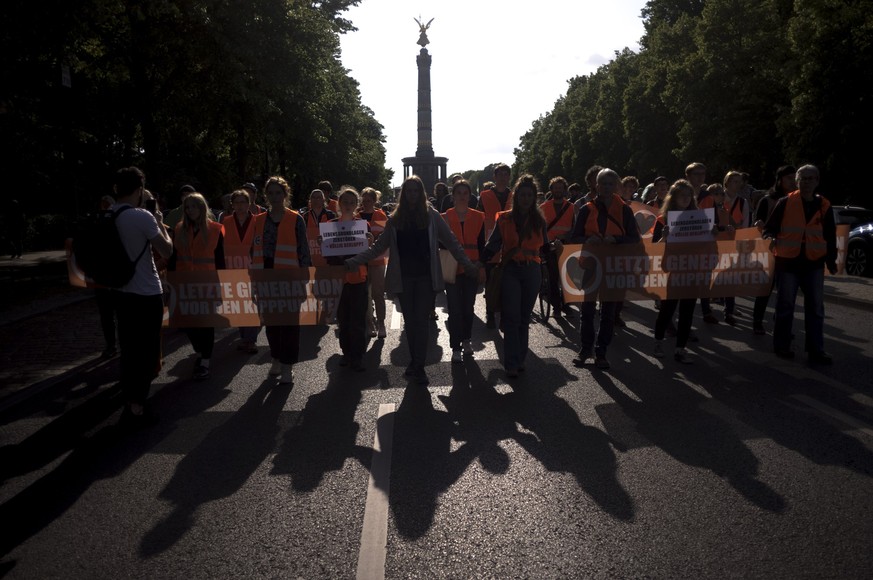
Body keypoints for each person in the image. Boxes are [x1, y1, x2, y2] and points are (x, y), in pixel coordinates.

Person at [345, 175, 479, 385]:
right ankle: (416, 363)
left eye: (416, 191)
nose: (413, 195)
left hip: (426, 278)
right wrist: (355, 260)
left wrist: (468, 264)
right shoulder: (395, 219)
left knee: (421, 322)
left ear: (422, 193)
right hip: (404, 279)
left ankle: (418, 366)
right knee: (412, 323)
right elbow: (379, 247)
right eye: (409, 191)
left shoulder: (432, 216)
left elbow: (451, 242)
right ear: (403, 194)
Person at [479, 174, 562, 377]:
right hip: (510, 270)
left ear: (534, 197)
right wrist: (480, 264)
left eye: (529, 195)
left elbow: (543, 248)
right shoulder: (504, 218)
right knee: (512, 318)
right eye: (522, 195)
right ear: (516, 196)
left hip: (532, 271)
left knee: (524, 318)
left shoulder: (539, 220)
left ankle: (520, 358)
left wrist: (555, 248)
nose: (525, 198)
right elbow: (493, 244)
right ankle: (511, 363)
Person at [111, 167, 173, 426]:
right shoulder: (141, 216)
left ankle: (129, 400)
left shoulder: (109, 214)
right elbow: (167, 250)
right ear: (139, 190)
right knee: (147, 353)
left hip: (120, 292)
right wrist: (158, 220)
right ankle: (137, 407)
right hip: (146, 292)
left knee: (128, 350)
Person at [763, 164, 836, 364]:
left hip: (813, 263)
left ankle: (816, 350)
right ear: (797, 181)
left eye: (810, 178)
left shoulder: (824, 206)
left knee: (815, 308)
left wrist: (831, 260)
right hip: (788, 263)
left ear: (817, 181)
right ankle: (782, 346)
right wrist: (770, 237)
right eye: (803, 178)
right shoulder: (785, 202)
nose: (806, 182)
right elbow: (769, 228)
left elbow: (830, 235)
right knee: (785, 305)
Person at [569, 168, 642, 370]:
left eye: (611, 183)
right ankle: (585, 350)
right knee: (587, 311)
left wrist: (616, 239)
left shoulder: (625, 210)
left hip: (614, 267)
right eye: (603, 183)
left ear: (616, 185)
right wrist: (587, 239)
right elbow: (574, 237)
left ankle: (601, 352)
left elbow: (634, 238)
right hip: (590, 266)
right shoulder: (586, 209)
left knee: (608, 313)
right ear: (596, 186)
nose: (607, 187)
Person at [252, 176, 312, 384]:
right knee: (271, 323)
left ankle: (287, 366)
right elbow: (254, 252)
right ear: (266, 196)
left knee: (290, 325)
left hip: (290, 278)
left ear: (285, 195)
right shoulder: (258, 220)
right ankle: (276, 357)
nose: (275, 197)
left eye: (279, 193)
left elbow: (304, 252)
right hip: (266, 277)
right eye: (271, 193)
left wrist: (304, 282)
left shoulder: (296, 219)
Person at [651, 180, 710, 363]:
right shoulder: (663, 219)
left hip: (692, 269)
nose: (685, 198)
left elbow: (707, 244)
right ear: (673, 197)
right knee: (668, 309)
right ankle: (658, 342)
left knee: (687, 310)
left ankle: (680, 348)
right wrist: (664, 238)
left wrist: (713, 233)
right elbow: (655, 249)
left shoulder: (700, 218)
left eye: (688, 195)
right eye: (681, 195)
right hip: (672, 270)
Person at [170, 192, 225, 380]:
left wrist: (222, 285)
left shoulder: (215, 229)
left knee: (205, 323)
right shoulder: (178, 229)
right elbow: (174, 257)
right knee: (189, 324)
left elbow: (220, 260)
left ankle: (205, 360)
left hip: (207, 284)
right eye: (187, 207)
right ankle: (200, 351)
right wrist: (170, 280)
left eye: (194, 206)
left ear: (202, 208)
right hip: (185, 284)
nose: (190, 210)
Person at [324, 187, 371, 371]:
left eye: (352, 202)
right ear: (339, 204)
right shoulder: (331, 225)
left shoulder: (363, 225)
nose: (349, 205)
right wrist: (325, 245)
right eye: (345, 202)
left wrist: (370, 241)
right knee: (343, 319)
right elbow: (329, 257)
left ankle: (357, 355)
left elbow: (367, 252)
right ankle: (346, 352)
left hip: (358, 278)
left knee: (358, 320)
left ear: (357, 205)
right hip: (339, 280)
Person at [442, 179, 485, 362]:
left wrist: (481, 264)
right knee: (454, 309)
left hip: (471, 268)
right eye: (458, 193)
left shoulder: (478, 217)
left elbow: (482, 244)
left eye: (465, 193)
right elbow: (439, 243)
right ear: (453, 196)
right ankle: (455, 347)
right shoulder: (444, 217)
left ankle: (466, 340)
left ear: (470, 196)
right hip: (451, 269)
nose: (462, 196)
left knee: (468, 308)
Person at [752, 165, 796, 334]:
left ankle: (782, 325)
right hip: (769, 252)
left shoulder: (798, 200)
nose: (793, 182)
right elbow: (759, 223)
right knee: (765, 290)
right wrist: (761, 228)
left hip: (789, 253)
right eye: (789, 178)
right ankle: (757, 321)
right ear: (780, 180)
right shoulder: (767, 200)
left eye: (794, 178)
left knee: (786, 293)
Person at [222, 189, 260, 353]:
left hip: (252, 268)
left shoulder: (258, 221)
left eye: (243, 202)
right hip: (232, 268)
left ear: (249, 203)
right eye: (236, 202)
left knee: (250, 303)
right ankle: (245, 336)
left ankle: (249, 340)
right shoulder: (226, 221)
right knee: (239, 304)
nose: (240, 206)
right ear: (232, 205)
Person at [477, 163, 513, 328]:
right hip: (490, 244)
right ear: (495, 177)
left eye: (506, 174)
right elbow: (478, 220)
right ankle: (490, 314)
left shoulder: (515, 195)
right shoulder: (484, 196)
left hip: (510, 246)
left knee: (508, 284)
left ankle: (505, 315)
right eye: (500, 174)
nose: (503, 177)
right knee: (491, 284)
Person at [539, 176, 574, 319]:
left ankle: (565, 304)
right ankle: (556, 307)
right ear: (551, 189)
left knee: (566, 278)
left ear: (564, 190)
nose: (558, 190)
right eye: (555, 187)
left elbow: (574, 227)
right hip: (550, 246)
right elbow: (540, 229)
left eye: (560, 187)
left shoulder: (572, 207)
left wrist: (566, 238)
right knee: (553, 278)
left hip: (566, 246)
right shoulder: (543, 207)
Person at [358, 187, 389, 338]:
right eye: (364, 200)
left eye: (369, 200)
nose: (366, 203)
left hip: (377, 261)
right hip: (362, 261)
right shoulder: (356, 217)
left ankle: (381, 323)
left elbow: (385, 237)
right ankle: (369, 323)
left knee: (378, 293)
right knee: (365, 295)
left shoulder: (380, 215)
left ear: (374, 201)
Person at [95, 194, 119, 357]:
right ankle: (110, 344)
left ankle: (117, 345)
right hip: (103, 277)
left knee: (120, 314)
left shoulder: (120, 222)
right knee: (106, 314)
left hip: (118, 276)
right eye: (104, 206)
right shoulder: (96, 223)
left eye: (109, 205)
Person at [302, 189, 336, 267]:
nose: (316, 200)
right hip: (311, 257)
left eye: (319, 197)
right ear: (310, 200)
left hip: (327, 258)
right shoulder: (305, 216)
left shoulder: (331, 215)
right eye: (313, 197)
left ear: (323, 199)